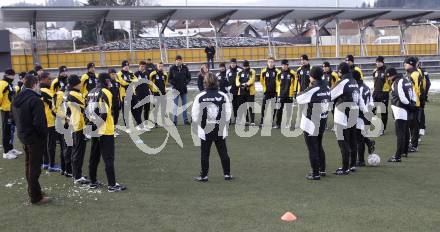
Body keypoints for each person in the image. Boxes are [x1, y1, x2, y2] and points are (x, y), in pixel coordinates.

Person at [12, 74, 50, 204]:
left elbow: (14, 118)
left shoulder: (17, 98)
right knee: (34, 168)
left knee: (29, 165)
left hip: (23, 136)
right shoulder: (35, 100)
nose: (39, 87)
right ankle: (35, 197)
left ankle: (34, 191)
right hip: (34, 138)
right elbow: (39, 123)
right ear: (34, 85)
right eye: (38, 84)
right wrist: (43, 135)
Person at [86, 73, 126, 192]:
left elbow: (86, 111)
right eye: (108, 80)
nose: (110, 82)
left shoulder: (91, 91)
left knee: (94, 157)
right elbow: (104, 113)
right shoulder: (106, 92)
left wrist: (91, 127)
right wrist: (98, 126)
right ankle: (112, 185)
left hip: (94, 128)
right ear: (105, 80)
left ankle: (93, 182)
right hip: (104, 129)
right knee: (108, 158)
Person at [192, 73, 232, 182]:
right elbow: (228, 112)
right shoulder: (223, 95)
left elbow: (195, 114)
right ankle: (227, 174)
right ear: (217, 82)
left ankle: (204, 176)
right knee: (223, 152)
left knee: (205, 153)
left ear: (205, 82)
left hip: (205, 129)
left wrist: (200, 125)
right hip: (219, 128)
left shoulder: (200, 96)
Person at [296, 66, 330, 180]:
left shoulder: (313, 89)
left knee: (312, 148)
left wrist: (308, 87)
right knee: (319, 145)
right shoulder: (327, 87)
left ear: (312, 77)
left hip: (311, 122)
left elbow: (299, 98)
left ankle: (315, 173)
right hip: (322, 120)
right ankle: (322, 169)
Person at [331, 62, 360, 175]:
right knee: (352, 140)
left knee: (343, 141)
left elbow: (330, 95)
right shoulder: (354, 82)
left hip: (342, 113)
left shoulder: (342, 82)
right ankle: (352, 165)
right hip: (353, 112)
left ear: (340, 72)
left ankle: (345, 167)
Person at [386, 68, 415, 162]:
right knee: (406, 131)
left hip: (400, 109)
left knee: (400, 133)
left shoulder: (397, 82)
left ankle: (397, 156)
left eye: (388, 76)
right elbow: (413, 93)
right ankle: (404, 152)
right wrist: (412, 104)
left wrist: (408, 105)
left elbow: (401, 97)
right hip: (406, 108)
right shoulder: (406, 80)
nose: (388, 78)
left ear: (391, 75)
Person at [66, 75, 89, 185]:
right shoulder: (74, 94)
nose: (81, 85)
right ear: (75, 84)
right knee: (78, 152)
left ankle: (77, 174)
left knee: (77, 151)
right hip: (78, 126)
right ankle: (77, 176)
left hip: (76, 124)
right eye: (79, 83)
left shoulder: (71, 93)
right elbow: (86, 106)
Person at [52, 67, 72, 177]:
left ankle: (64, 169)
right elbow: (55, 106)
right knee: (67, 146)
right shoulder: (59, 91)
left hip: (60, 120)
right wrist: (64, 118)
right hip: (64, 121)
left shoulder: (62, 93)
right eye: (63, 71)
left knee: (64, 146)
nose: (65, 73)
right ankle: (68, 170)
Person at [353, 68, 375, 167]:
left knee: (359, 138)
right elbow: (371, 102)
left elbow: (359, 104)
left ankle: (360, 160)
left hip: (361, 115)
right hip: (367, 114)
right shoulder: (365, 87)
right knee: (360, 136)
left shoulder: (358, 89)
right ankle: (369, 143)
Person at [40, 72, 60, 172]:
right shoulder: (46, 91)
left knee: (44, 143)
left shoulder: (38, 90)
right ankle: (51, 165)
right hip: (49, 120)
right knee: (51, 143)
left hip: (41, 120)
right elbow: (53, 107)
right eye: (49, 79)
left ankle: (45, 162)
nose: (50, 81)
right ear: (43, 79)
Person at [0, 69, 22, 159]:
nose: (13, 77)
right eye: (13, 75)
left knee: (10, 131)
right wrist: (4, 107)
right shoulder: (3, 83)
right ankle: (5, 152)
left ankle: (10, 148)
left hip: (11, 110)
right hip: (6, 111)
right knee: (6, 131)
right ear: (8, 75)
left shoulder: (9, 84)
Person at [404, 57, 421, 153]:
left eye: (406, 64)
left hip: (414, 103)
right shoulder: (411, 73)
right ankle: (413, 143)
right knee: (411, 124)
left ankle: (414, 145)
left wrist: (413, 101)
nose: (404, 65)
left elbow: (416, 90)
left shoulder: (414, 74)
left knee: (414, 125)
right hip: (412, 102)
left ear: (411, 64)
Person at [275, 59, 299, 129]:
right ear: (281, 65)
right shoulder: (279, 73)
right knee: (279, 110)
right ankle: (278, 124)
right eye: (283, 65)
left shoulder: (292, 73)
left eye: (286, 65)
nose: (284, 66)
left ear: (288, 65)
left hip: (289, 94)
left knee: (288, 110)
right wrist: (278, 92)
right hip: (281, 94)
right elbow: (277, 83)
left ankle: (287, 124)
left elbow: (295, 82)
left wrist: (294, 91)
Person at [117, 60, 140, 130]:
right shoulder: (119, 74)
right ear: (122, 66)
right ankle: (127, 127)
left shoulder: (130, 72)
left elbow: (136, 80)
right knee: (126, 112)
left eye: (127, 66)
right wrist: (131, 82)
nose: (126, 67)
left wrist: (129, 81)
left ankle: (139, 124)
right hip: (124, 95)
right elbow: (122, 82)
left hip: (132, 94)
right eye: (125, 66)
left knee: (136, 109)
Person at [169, 55, 191, 125]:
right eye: (177, 60)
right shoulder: (172, 68)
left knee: (184, 106)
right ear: (175, 61)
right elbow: (169, 79)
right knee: (175, 106)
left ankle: (185, 120)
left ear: (182, 60)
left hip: (183, 89)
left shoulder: (185, 68)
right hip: (175, 90)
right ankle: (174, 121)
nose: (179, 61)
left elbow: (189, 77)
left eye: (180, 60)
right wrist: (174, 84)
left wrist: (185, 83)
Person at [372, 56, 390, 134]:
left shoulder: (387, 71)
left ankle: (382, 129)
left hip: (384, 94)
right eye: (377, 62)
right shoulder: (375, 71)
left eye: (379, 62)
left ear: (383, 62)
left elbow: (391, 82)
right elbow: (374, 80)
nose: (378, 63)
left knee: (383, 112)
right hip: (375, 93)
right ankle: (376, 125)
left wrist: (387, 90)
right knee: (371, 110)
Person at [260, 57, 280, 127]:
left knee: (273, 108)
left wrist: (277, 91)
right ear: (267, 63)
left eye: (272, 62)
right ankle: (262, 122)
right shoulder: (263, 71)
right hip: (267, 92)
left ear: (274, 63)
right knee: (264, 107)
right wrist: (265, 88)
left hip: (275, 93)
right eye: (269, 62)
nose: (271, 63)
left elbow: (279, 82)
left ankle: (271, 122)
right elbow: (261, 81)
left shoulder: (277, 71)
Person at [235, 60, 256, 126]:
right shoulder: (240, 72)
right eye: (244, 66)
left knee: (251, 106)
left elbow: (252, 79)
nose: (245, 67)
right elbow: (237, 80)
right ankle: (246, 121)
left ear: (249, 65)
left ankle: (252, 121)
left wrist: (246, 85)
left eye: (246, 66)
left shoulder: (252, 71)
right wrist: (240, 85)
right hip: (241, 92)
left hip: (250, 92)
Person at [134, 61, 153, 131]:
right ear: (139, 66)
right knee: (139, 110)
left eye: (144, 66)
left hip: (147, 94)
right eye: (141, 66)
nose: (143, 68)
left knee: (147, 110)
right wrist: (135, 94)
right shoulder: (136, 74)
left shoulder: (146, 73)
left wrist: (150, 91)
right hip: (139, 95)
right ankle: (138, 125)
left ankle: (146, 124)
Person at [149, 62, 168, 127]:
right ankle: (155, 122)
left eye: (162, 66)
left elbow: (165, 83)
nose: (161, 67)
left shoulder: (165, 74)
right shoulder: (153, 73)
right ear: (157, 66)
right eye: (159, 66)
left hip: (163, 93)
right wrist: (152, 91)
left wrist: (165, 89)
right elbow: (150, 83)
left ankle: (163, 122)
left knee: (163, 108)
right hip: (156, 93)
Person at [417, 61, 431, 136]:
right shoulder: (410, 72)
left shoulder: (423, 71)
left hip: (421, 94)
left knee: (421, 111)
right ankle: (419, 127)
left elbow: (428, 83)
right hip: (415, 95)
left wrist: (425, 94)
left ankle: (422, 128)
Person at [226, 58, 242, 124]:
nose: (232, 64)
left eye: (234, 63)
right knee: (234, 104)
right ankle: (235, 118)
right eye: (231, 63)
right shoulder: (228, 71)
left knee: (240, 104)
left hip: (239, 90)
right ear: (230, 64)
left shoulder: (240, 70)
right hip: (232, 91)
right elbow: (227, 80)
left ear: (236, 63)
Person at [108, 69, 121, 135]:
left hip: (116, 101)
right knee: (110, 116)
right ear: (109, 74)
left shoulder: (117, 82)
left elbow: (119, 92)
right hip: (110, 102)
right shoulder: (107, 83)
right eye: (112, 74)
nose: (114, 75)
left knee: (116, 115)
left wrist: (120, 101)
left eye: (114, 74)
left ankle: (114, 129)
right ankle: (111, 130)